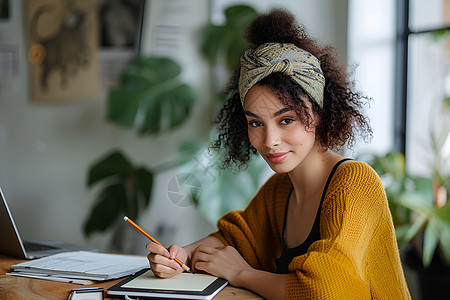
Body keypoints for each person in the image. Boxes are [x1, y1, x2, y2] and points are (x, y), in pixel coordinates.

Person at [146, 9, 411, 300]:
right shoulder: (280, 190)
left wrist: (240, 273)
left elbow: (326, 291)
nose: (270, 141)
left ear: (320, 113)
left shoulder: (355, 183)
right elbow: (236, 239)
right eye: (256, 123)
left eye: (286, 120)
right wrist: (181, 255)